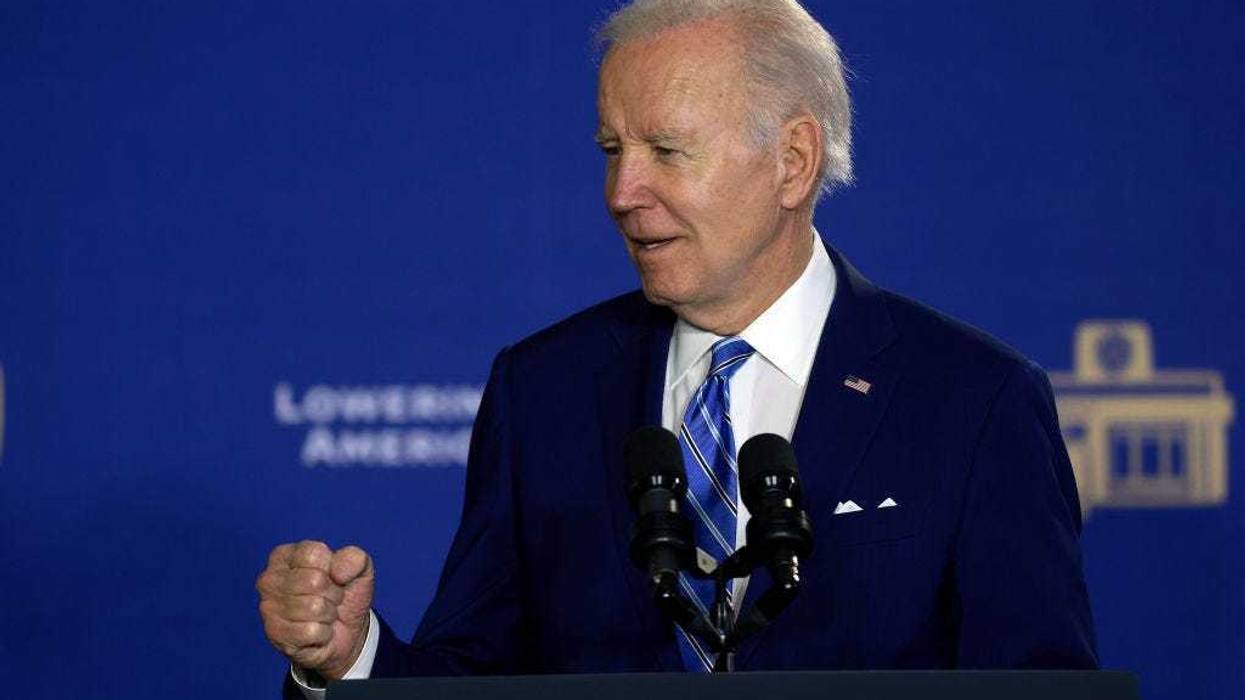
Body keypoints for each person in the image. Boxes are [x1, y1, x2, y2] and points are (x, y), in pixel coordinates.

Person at [256, 1, 1098, 696]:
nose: (623, 193)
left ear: (792, 162)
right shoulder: (542, 389)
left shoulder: (973, 400)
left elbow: (1036, 686)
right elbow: (471, 678)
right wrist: (350, 659)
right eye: (612, 151)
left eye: (666, 150)